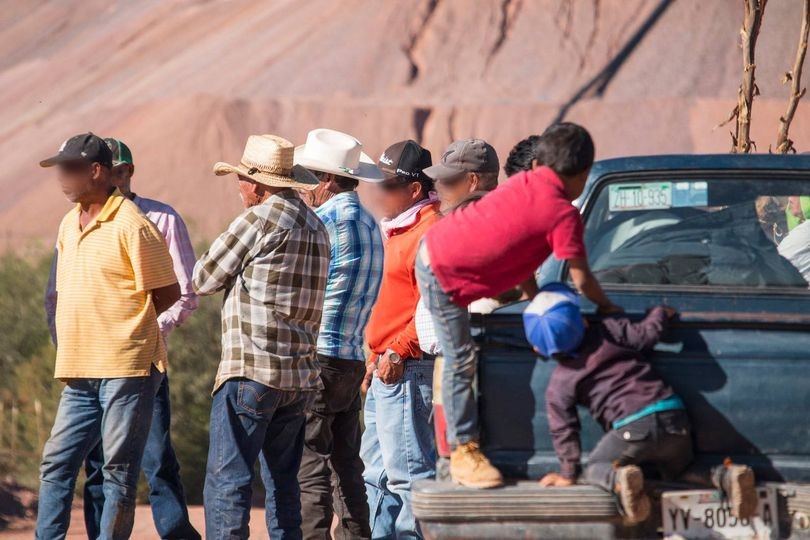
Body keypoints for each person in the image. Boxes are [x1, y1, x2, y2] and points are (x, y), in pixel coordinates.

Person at [415, 123, 621, 489]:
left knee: (463, 352)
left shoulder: (525, 184)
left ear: (540, 162)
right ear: (583, 174)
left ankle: (463, 445)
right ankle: (464, 451)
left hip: (440, 252)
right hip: (440, 268)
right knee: (460, 357)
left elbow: (520, 251)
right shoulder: (563, 214)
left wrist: (533, 299)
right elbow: (584, 280)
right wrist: (608, 310)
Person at [43, 138, 201, 539]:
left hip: (127, 367)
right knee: (58, 465)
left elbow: (170, 293)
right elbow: (62, 291)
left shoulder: (136, 224)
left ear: (97, 170)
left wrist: (127, 328)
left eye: (69, 168)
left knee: (122, 469)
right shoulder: (67, 223)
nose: (61, 177)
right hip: (79, 368)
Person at [525, 283, 759, 523]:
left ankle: (620, 481)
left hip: (633, 428)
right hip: (673, 416)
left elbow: (564, 429)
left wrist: (568, 473)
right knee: (679, 471)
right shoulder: (609, 330)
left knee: (595, 466)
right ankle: (725, 477)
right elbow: (647, 334)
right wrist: (659, 313)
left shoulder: (560, 384)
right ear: (584, 322)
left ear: (537, 349)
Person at [193, 134, 330, 539]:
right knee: (284, 485)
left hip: (251, 369)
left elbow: (203, 278)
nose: (238, 187)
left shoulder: (259, 219)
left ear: (257, 183)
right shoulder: (316, 226)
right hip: (299, 376)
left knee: (228, 480)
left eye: (240, 179)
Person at [293, 128, 385, 539]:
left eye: (309, 176)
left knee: (310, 462)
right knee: (347, 462)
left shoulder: (322, 221)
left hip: (319, 356)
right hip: (350, 357)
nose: (305, 187)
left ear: (327, 180)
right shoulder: (371, 223)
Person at [360, 140, 441, 539]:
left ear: (414, 190)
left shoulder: (430, 231)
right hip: (386, 367)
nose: (380, 193)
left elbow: (431, 307)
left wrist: (395, 350)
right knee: (375, 473)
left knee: (410, 476)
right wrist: (375, 356)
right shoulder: (396, 230)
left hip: (408, 368)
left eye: (388, 185)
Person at [423, 138, 500, 212]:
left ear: (472, 181)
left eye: (446, 179)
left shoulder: (469, 224)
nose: (439, 184)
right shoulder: (503, 215)